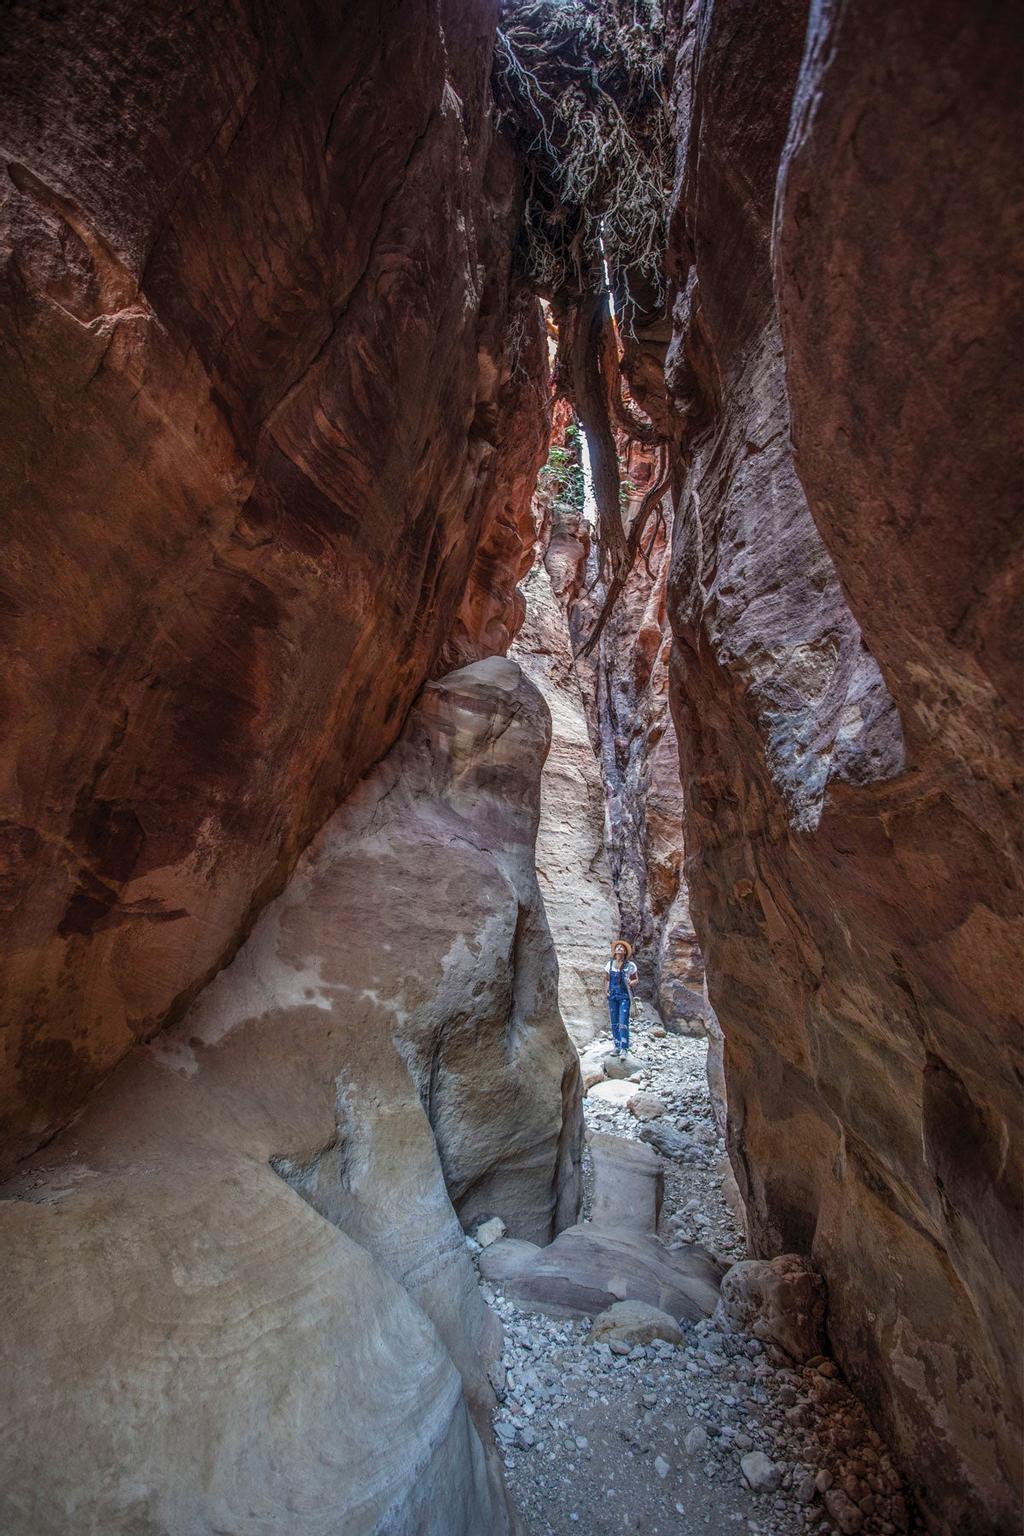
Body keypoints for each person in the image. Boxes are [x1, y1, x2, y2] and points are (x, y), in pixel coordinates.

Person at [605, 940, 638, 1056]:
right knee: (614, 1022)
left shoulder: (630, 965)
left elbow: (636, 979)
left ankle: (624, 1049)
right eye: (617, 947)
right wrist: (606, 990)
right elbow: (607, 979)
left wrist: (631, 982)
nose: (619, 948)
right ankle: (617, 1046)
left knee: (623, 1021)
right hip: (613, 996)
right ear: (614, 951)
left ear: (625, 951)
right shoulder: (609, 964)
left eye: (621, 947)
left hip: (624, 996)